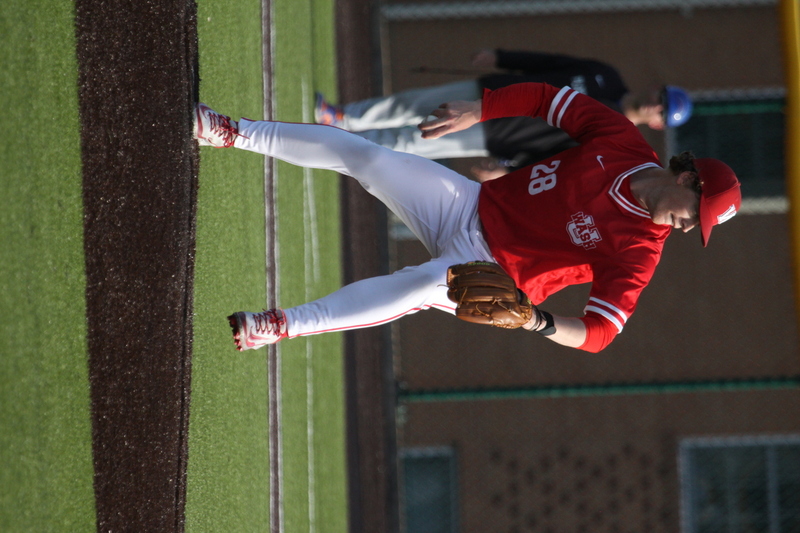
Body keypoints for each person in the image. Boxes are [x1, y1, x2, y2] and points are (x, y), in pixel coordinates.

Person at [194, 81, 739, 353]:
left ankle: (280, 325)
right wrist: (479, 110)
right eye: (698, 213)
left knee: (412, 289)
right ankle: (232, 132)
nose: (691, 227)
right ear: (688, 179)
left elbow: (599, 333)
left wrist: (536, 321)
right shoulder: (623, 143)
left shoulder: (640, 252)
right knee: (369, 157)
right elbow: (549, 99)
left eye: (700, 228)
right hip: (469, 204)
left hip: (491, 271)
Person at [314, 49, 693, 181]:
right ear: (653, 88)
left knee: (412, 138)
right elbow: (550, 63)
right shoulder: (604, 76)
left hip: (496, 133)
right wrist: (502, 57)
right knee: (411, 103)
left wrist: (508, 168)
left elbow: (558, 158)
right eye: (661, 96)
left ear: (659, 123)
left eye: (663, 110)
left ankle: (334, 146)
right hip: (489, 94)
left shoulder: (616, 134)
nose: (655, 104)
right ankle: (341, 116)